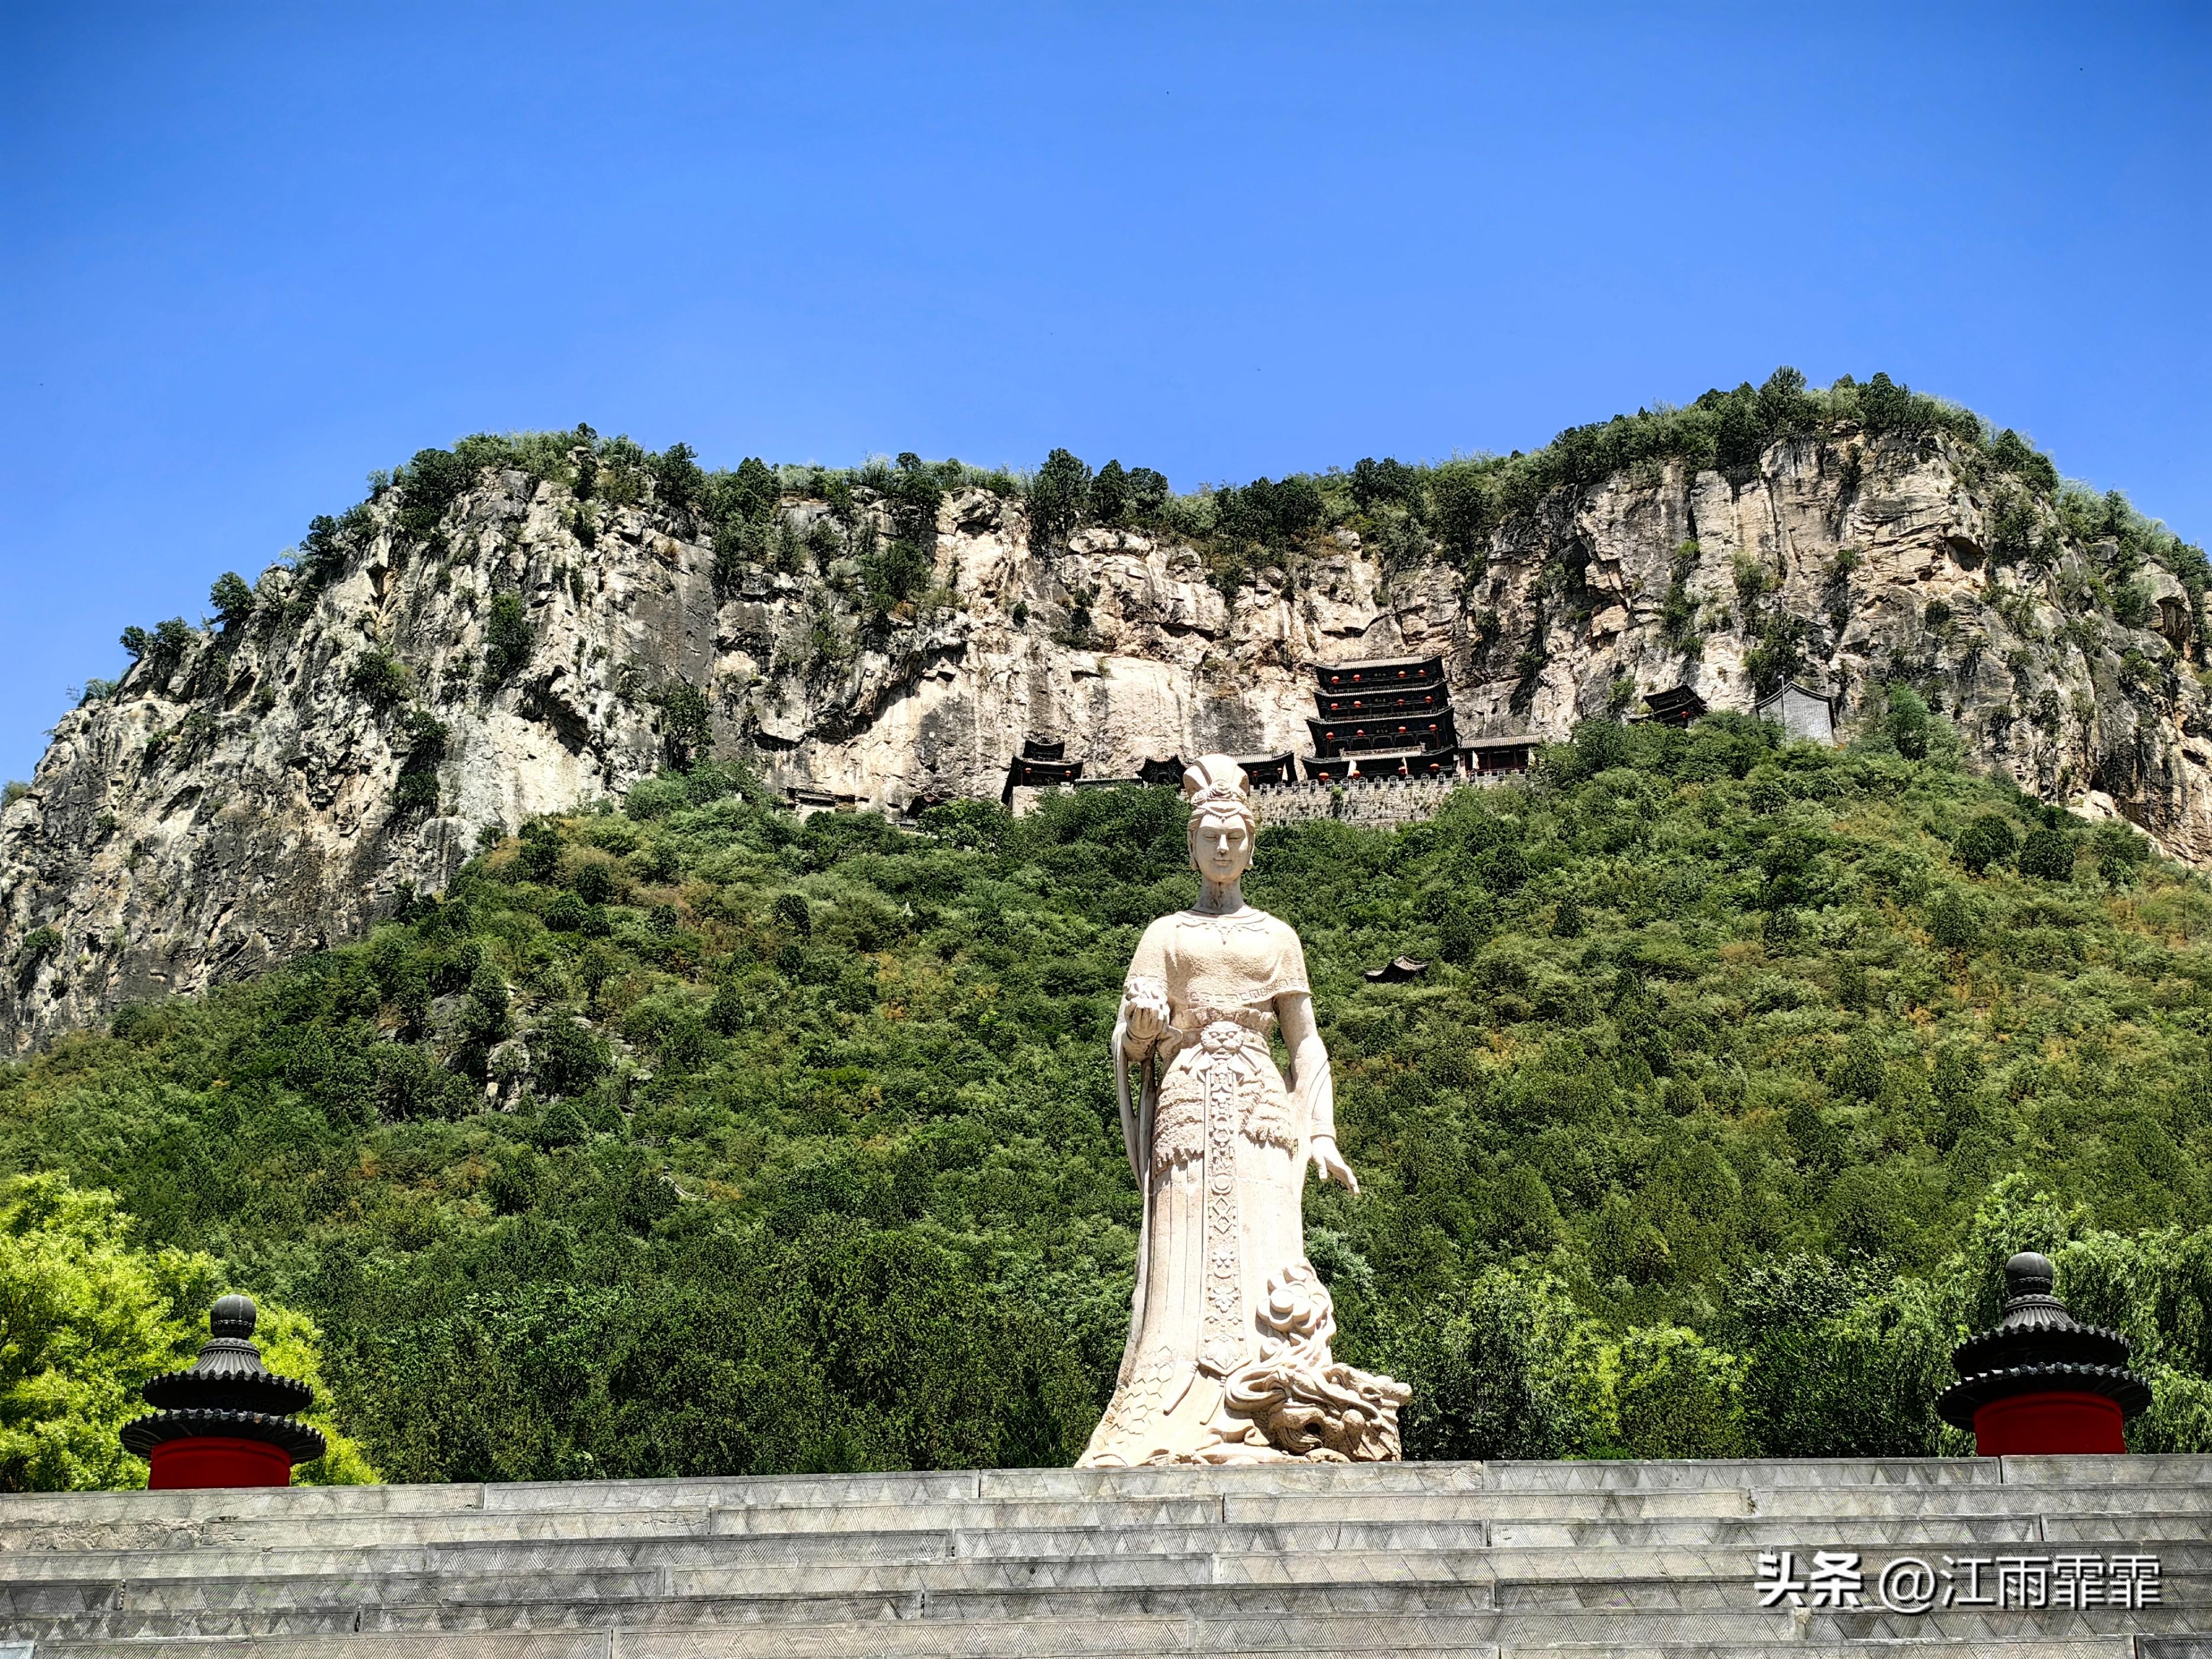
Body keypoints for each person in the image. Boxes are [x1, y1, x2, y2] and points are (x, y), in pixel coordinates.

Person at [1080, 754, 1406, 1466]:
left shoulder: (1276, 936)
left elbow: (1306, 1039)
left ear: (1251, 844)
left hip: (1260, 1107)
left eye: (1235, 834)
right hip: (1190, 1103)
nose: (1223, 846)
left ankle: (1271, 1393)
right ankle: (1168, 1403)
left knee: (1268, 1254)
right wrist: (1140, 1029)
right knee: (1181, 1260)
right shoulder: (1165, 934)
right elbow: (1134, 1041)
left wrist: (1320, 1127)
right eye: (1210, 834)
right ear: (1191, 843)